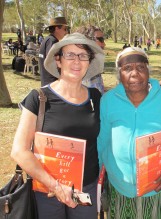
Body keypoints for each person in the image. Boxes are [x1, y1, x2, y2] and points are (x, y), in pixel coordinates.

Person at [11, 33, 105, 219]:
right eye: (69, 55)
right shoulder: (38, 98)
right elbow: (19, 151)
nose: (76, 61)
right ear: (58, 60)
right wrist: (55, 185)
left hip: (85, 191)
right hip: (46, 191)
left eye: (83, 55)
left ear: (89, 61)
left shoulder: (95, 97)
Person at [97, 47, 161, 219]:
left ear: (148, 70)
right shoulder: (108, 101)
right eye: (127, 68)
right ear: (119, 74)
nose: (135, 73)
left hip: (159, 189)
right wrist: (96, 177)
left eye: (140, 67)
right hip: (120, 189)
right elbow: (102, 141)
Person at [76, 25, 106, 94]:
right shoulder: (78, 66)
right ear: (88, 40)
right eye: (101, 40)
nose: (104, 44)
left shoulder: (95, 64)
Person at [39, 16, 69, 86]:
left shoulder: (47, 39)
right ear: (57, 28)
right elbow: (53, 60)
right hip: (51, 82)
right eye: (65, 29)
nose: (66, 32)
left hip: (46, 81)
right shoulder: (52, 41)